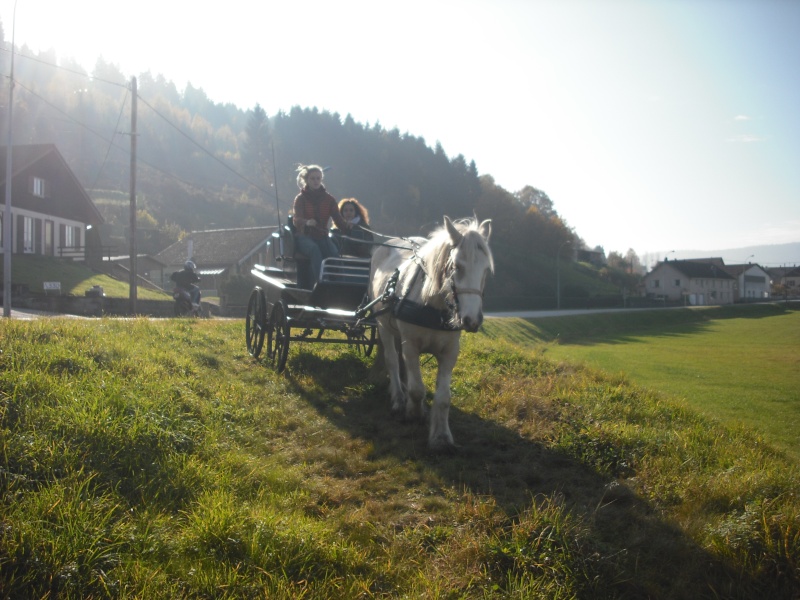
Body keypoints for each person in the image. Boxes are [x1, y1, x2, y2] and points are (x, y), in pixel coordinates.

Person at [291, 164, 350, 285]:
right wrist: (307, 222)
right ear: (306, 180)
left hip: (322, 236)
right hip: (304, 237)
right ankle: (320, 283)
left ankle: (342, 284)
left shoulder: (329, 199)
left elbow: (338, 220)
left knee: (334, 254)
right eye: (312, 178)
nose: (316, 181)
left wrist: (347, 227)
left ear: (321, 179)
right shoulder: (300, 199)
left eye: (318, 178)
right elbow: (296, 220)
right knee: (314, 250)